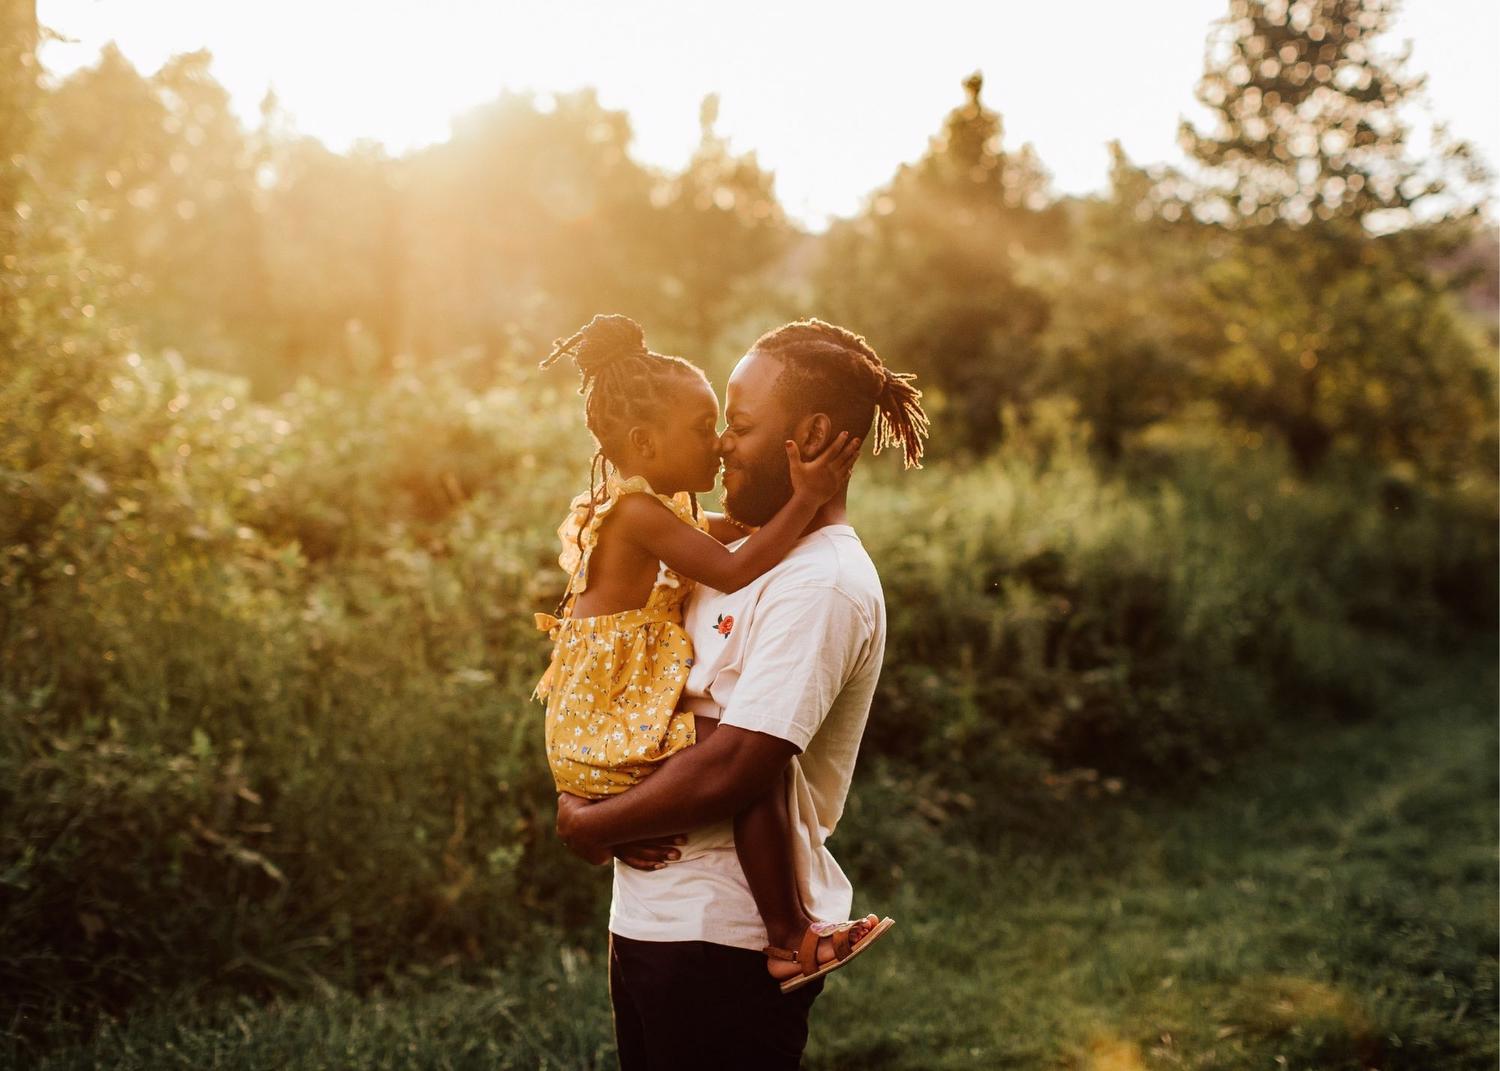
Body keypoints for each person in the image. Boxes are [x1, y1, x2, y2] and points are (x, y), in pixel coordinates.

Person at [555, 318, 929, 1070]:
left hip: (723, 945)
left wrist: (589, 824)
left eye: (742, 423)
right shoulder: (722, 545)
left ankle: (793, 934)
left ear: (815, 435)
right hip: (649, 925)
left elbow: (736, 765)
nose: (722, 443)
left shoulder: (822, 581)